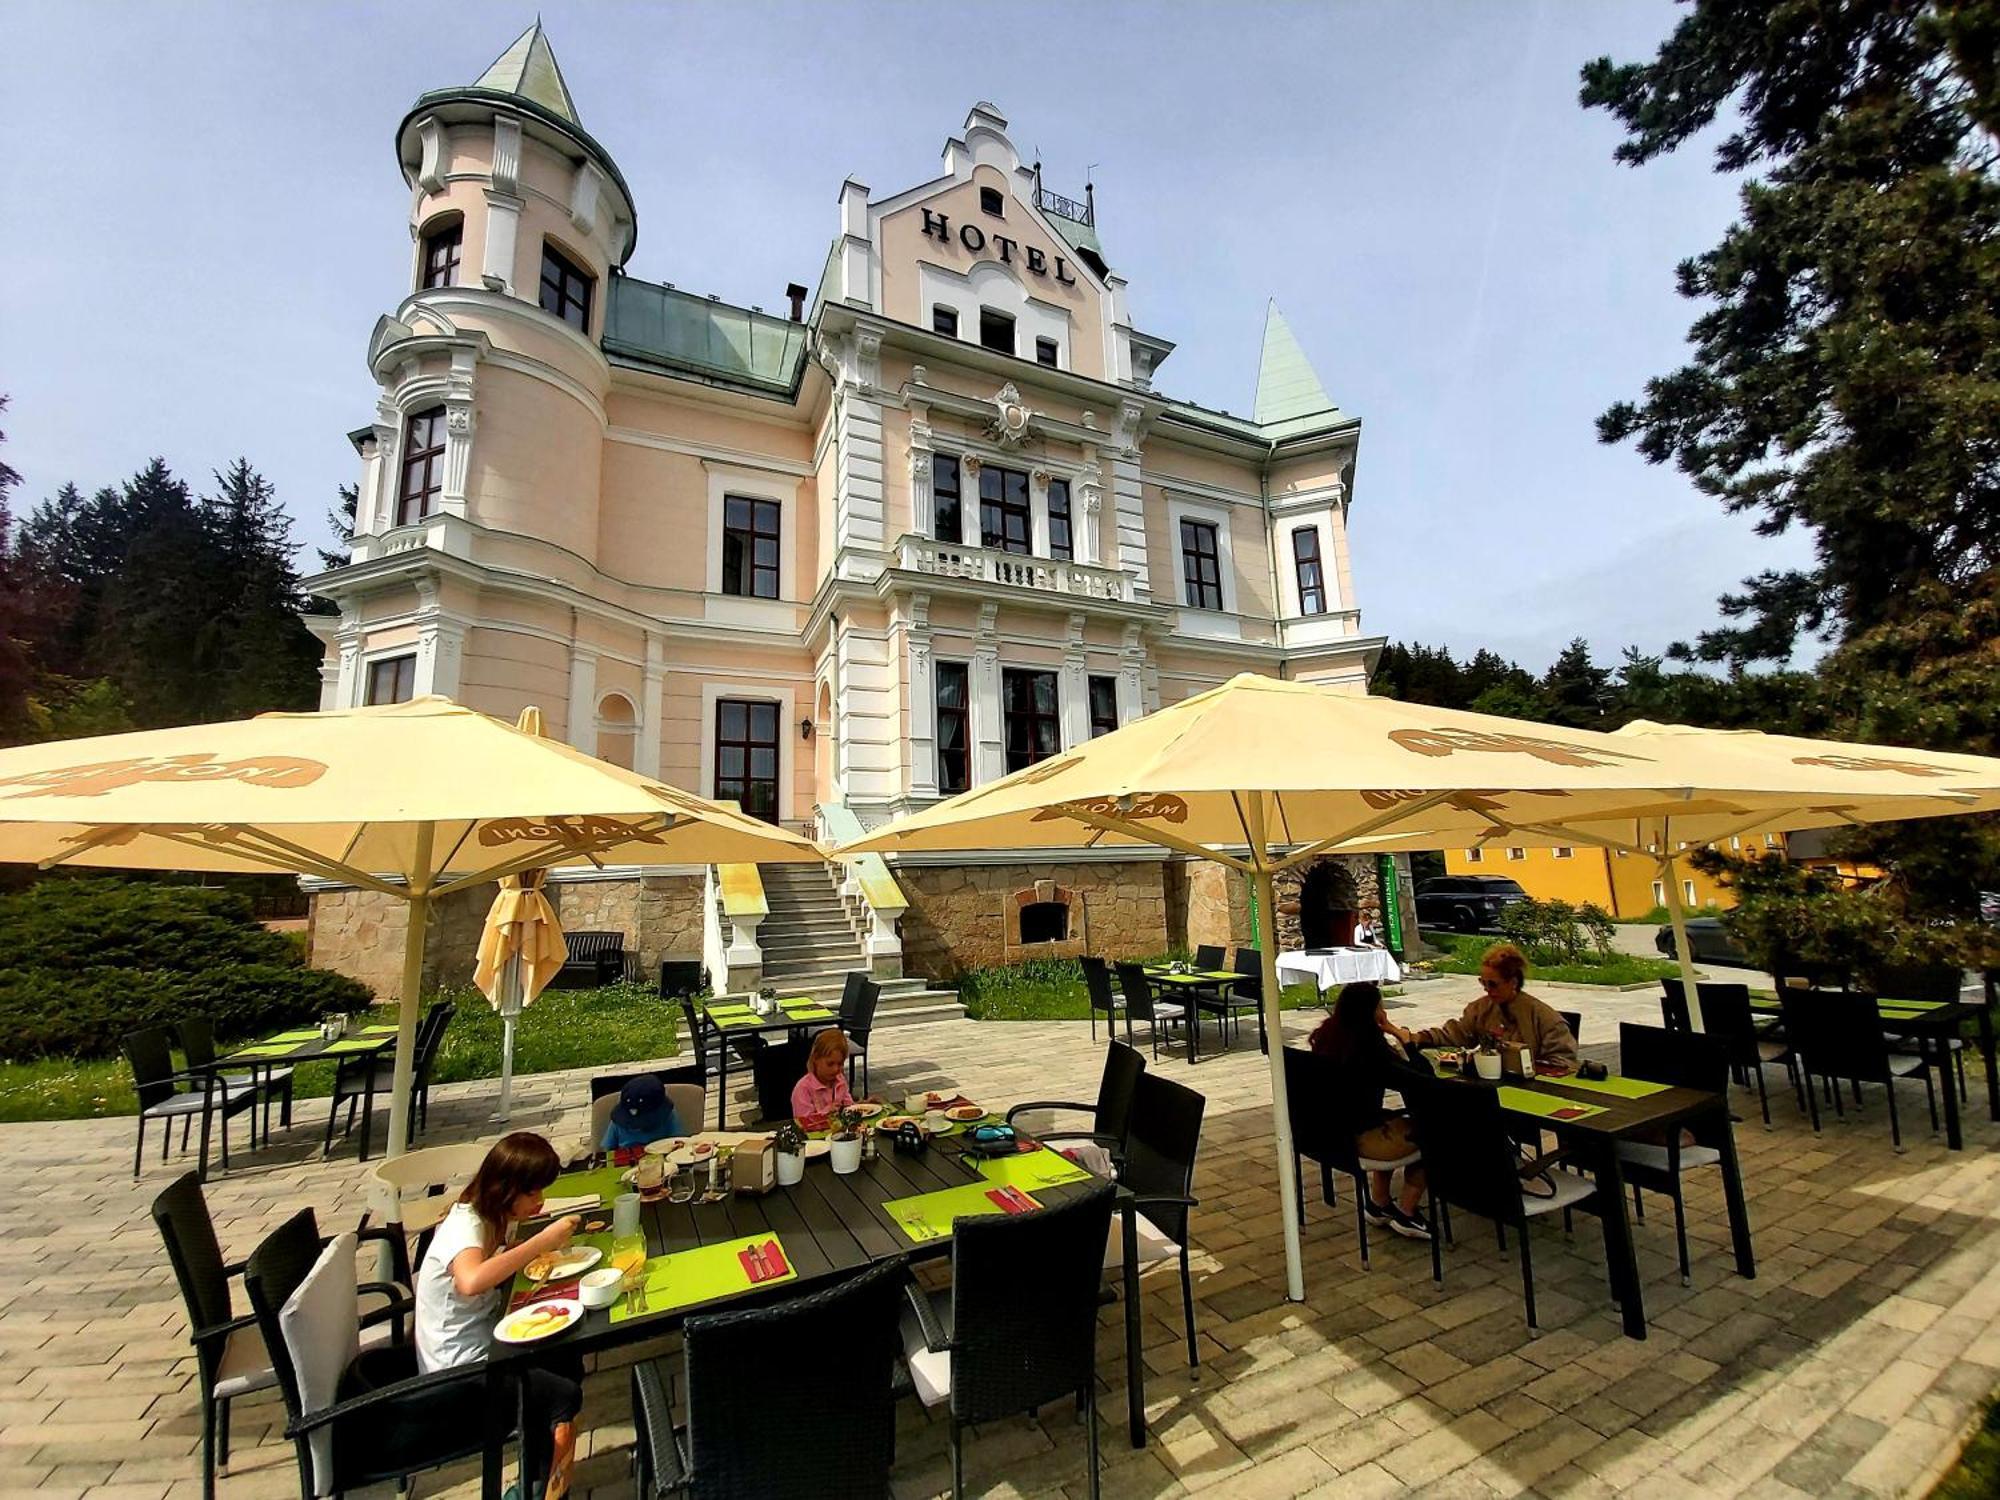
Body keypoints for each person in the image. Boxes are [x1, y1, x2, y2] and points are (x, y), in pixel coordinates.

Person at [414, 1132, 584, 1500]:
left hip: (485, 1343)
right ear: (506, 1187)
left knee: (566, 1353)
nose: (539, 1202)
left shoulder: (487, 1214)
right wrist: (539, 1243)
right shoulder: (467, 1225)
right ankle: (537, 1490)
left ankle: (539, 1474)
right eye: (533, 1193)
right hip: (460, 1372)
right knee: (562, 1393)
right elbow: (471, 1280)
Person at [1308, 982, 1430, 1239]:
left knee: (1392, 1118)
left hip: (1328, 1134)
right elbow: (1420, 1078)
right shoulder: (1369, 1049)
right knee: (1437, 1129)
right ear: (1373, 1012)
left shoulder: (1328, 1036)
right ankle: (1408, 1212)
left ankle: (1379, 1202)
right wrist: (1399, 1035)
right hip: (1360, 1139)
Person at [1389, 941, 1578, 1075]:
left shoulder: (1543, 1016)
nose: (1487, 990)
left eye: (1493, 984)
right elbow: (1457, 1033)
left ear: (1512, 982)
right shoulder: (1481, 1008)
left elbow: (1563, 1062)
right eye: (1483, 983)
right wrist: (1419, 1038)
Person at [600, 1073, 682, 1154]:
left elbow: (679, 1143)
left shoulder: (669, 1116)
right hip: (627, 1161)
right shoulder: (617, 1122)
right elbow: (607, 1150)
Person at [791, 1027, 856, 1123]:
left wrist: (863, 1105)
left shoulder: (840, 1080)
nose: (836, 1069)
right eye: (830, 1064)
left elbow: (849, 1107)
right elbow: (802, 1123)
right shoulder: (803, 1088)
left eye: (840, 1064)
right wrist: (826, 1113)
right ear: (815, 1059)